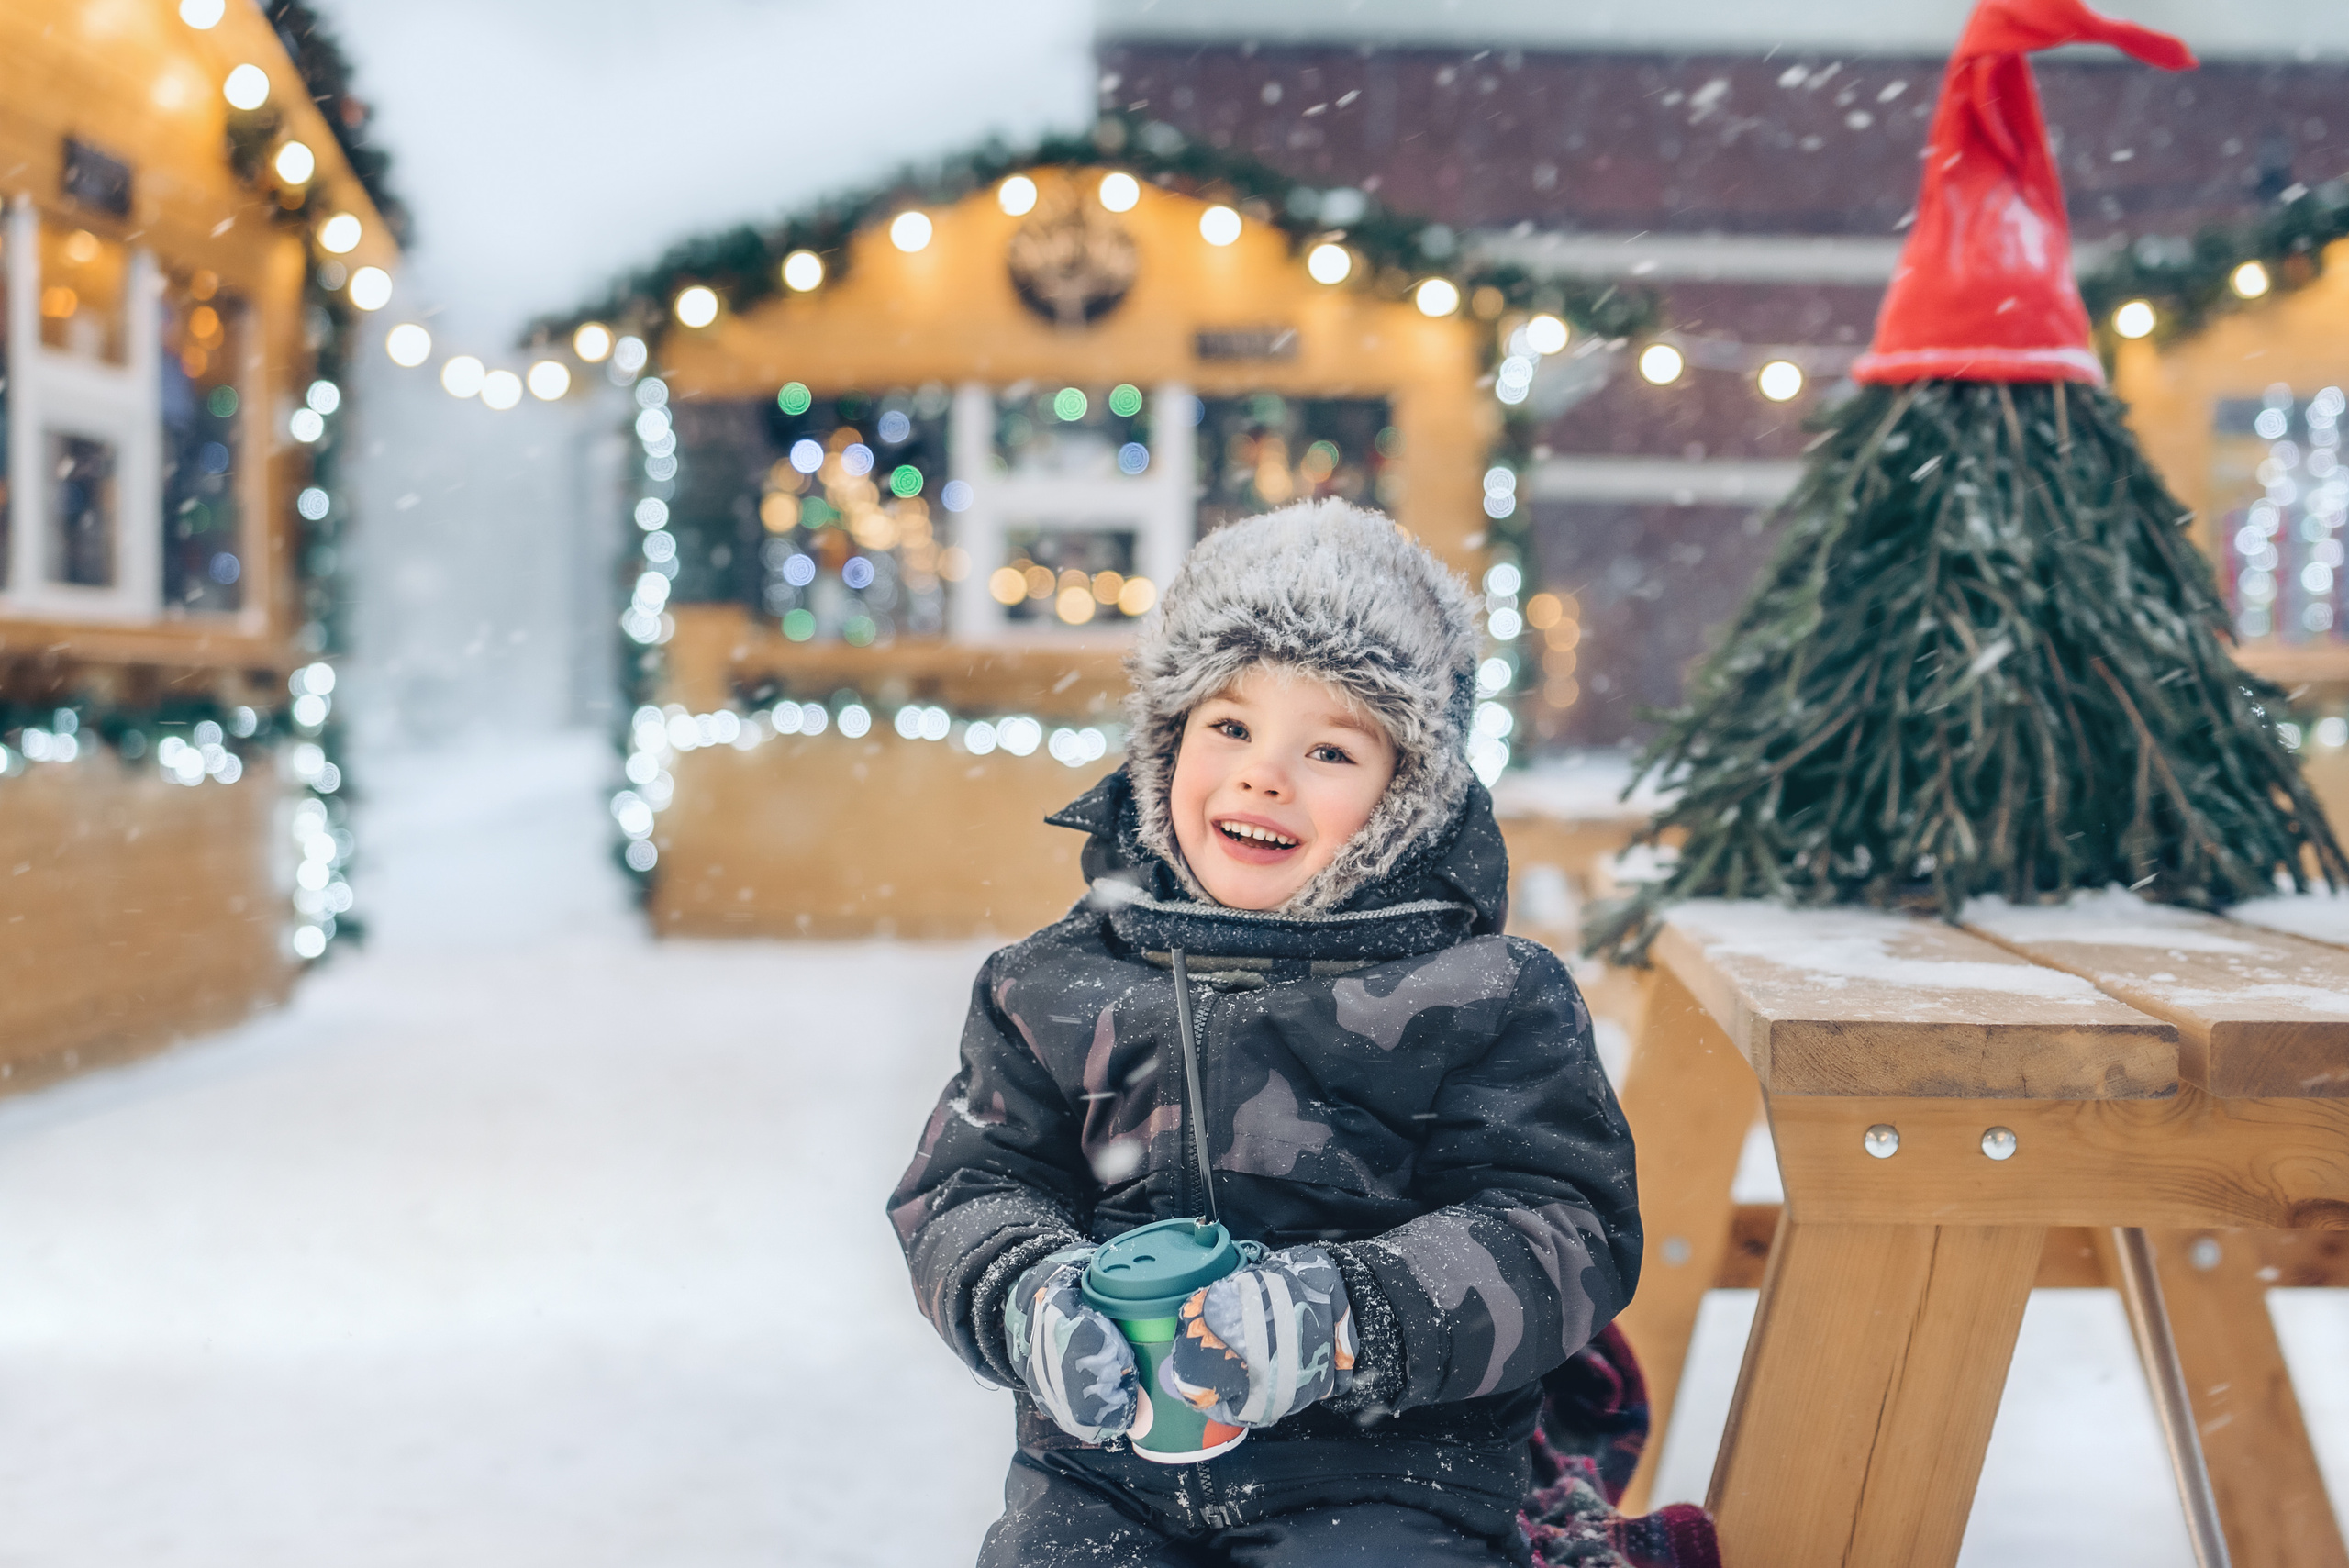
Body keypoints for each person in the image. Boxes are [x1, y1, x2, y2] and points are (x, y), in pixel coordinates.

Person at [887, 499, 1642, 1566]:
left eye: (1328, 747)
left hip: (1389, 1476)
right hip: (1105, 1473)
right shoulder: (1052, 984)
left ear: (1405, 796)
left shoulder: (1483, 992)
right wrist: (1031, 1297)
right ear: (1165, 744)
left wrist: (1343, 1316)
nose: (1262, 774)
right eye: (1229, 726)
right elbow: (963, 1191)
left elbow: (1563, 1225)